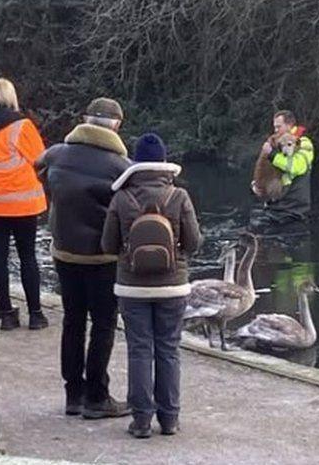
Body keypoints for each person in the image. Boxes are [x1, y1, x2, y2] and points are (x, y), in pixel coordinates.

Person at [35, 97, 132, 419]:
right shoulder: (122, 167)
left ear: (84, 120)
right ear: (116, 125)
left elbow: (39, 166)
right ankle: (97, 396)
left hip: (64, 251)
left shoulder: (57, 154)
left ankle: (72, 395)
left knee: (72, 321)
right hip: (102, 257)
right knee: (104, 324)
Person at [101, 133, 201, 438]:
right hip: (173, 287)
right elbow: (194, 243)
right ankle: (169, 419)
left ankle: (142, 420)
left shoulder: (121, 197)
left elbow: (108, 245)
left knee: (139, 350)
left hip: (132, 289)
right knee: (169, 349)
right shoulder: (179, 197)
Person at [0, 78, 48, 331]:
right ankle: (36, 314)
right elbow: (41, 159)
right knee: (28, 257)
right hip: (22, 202)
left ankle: (6, 314)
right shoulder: (22, 126)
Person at [250, 109, 315, 230]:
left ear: (290, 125)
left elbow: (296, 167)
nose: (275, 130)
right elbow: (264, 169)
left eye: (278, 127)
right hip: (275, 209)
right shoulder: (276, 144)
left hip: (293, 211)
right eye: (275, 127)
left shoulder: (304, 144)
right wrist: (256, 185)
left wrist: (272, 155)